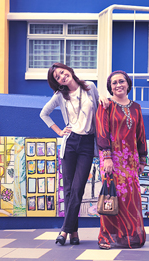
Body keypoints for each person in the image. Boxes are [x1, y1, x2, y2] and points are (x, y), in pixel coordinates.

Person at [40, 63, 108, 246]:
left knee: (78, 188)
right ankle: (74, 232)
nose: (62, 76)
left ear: (69, 70)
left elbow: (99, 104)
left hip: (87, 143)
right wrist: (58, 131)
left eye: (62, 72)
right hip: (69, 142)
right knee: (69, 190)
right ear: (57, 82)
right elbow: (44, 114)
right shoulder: (60, 96)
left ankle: (64, 230)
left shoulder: (89, 87)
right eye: (57, 77)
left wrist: (102, 96)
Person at [96, 70, 148, 249]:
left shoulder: (136, 107)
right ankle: (108, 238)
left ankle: (132, 237)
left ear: (128, 84)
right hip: (112, 159)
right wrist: (107, 157)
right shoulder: (105, 105)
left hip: (131, 161)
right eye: (114, 83)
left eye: (121, 81)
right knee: (112, 198)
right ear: (110, 87)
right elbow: (102, 132)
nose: (118, 85)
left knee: (131, 198)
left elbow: (140, 133)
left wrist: (142, 158)